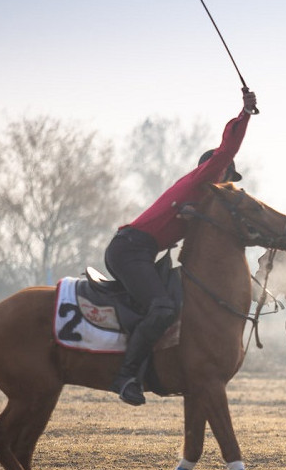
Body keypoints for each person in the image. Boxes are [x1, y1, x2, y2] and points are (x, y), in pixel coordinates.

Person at [105, 88, 257, 405]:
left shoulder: (200, 206)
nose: (230, 186)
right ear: (216, 172)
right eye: (228, 178)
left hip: (143, 253)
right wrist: (245, 113)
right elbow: (227, 149)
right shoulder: (202, 179)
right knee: (162, 307)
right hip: (129, 249)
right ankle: (126, 376)